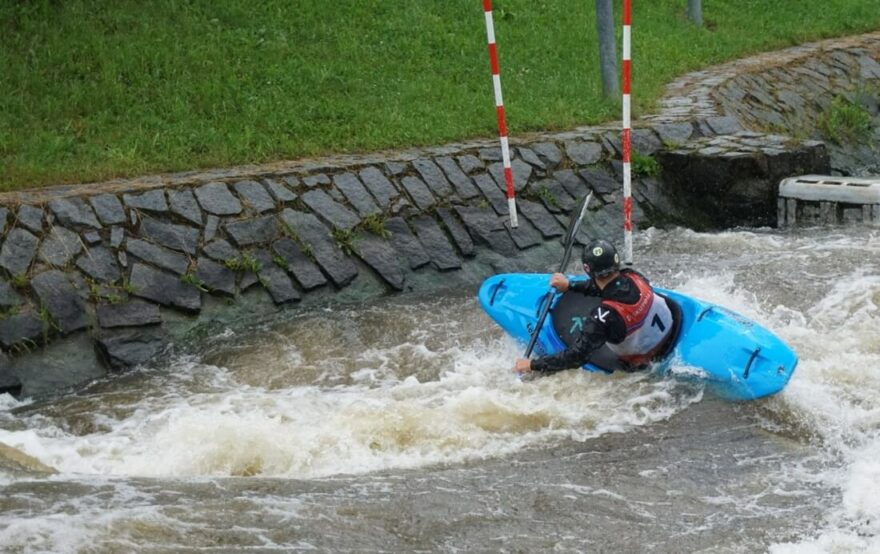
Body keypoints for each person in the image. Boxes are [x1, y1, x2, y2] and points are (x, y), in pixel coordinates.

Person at [514, 238, 677, 376]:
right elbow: (608, 287)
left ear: (588, 271)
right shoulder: (633, 276)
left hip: (644, 359)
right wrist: (570, 285)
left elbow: (576, 357)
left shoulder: (603, 316)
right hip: (671, 332)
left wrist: (532, 365)